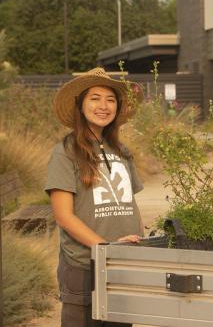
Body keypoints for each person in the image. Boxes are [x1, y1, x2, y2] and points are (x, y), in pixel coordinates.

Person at [45, 68, 144, 326]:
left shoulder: (122, 151)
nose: (104, 106)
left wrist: (140, 243)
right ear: (80, 105)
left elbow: (130, 204)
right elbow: (64, 216)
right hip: (84, 266)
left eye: (110, 99)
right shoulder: (65, 151)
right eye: (95, 98)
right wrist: (105, 248)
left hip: (122, 262)